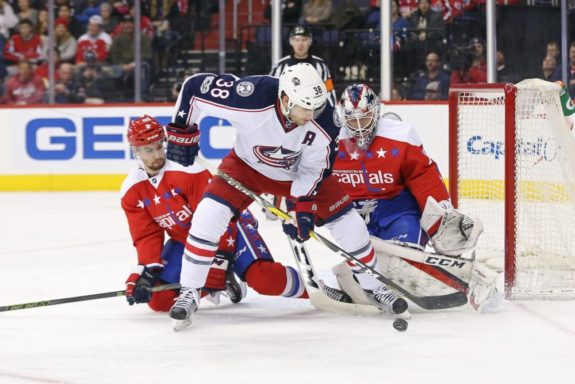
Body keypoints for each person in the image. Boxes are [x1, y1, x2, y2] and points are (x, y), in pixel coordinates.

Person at [165, 63, 409, 330]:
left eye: (315, 107)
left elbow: (314, 168)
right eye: (304, 107)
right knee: (208, 216)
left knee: (349, 223)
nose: (310, 114)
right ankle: (189, 291)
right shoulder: (250, 97)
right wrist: (182, 131)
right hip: (245, 167)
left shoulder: (326, 119)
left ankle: (373, 287)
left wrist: (302, 205)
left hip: (296, 173)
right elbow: (194, 89)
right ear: (285, 98)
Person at [331, 83, 499, 313]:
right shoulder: (329, 142)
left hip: (398, 210)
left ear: (376, 112)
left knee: (403, 261)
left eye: (365, 117)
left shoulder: (399, 136)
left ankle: (470, 282)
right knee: (365, 264)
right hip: (356, 218)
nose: (359, 126)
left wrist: (442, 218)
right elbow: (313, 175)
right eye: (352, 119)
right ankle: (364, 285)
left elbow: (423, 176)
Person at [121, 115, 313, 315]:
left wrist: (219, 259)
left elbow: (217, 213)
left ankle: (315, 290)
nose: (156, 155)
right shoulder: (131, 189)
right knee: (158, 299)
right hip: (186, 241)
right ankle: (220, 282)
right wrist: (145, 271)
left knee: (263, 279)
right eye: (148, 150)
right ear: (136, 151)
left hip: (230, 225)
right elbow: (147, 235)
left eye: (159, 146)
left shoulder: (188, 169)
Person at [269, 25, 336, 107]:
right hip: (286, 112)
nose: (300, 44)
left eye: (304, 40)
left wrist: (331, 112)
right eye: (296, 40)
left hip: (313, 112)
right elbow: (271, 89)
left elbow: (329, 90)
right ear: (291, 41)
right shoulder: (280, 65)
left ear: (310, 41)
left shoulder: (320, 65)